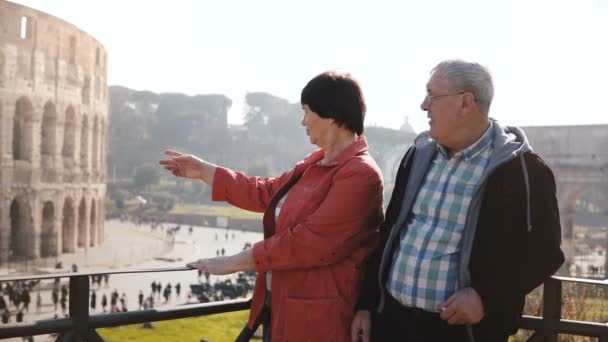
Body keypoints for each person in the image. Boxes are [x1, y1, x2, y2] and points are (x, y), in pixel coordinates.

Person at [160, 71, 384, 341]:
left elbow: (311, 242)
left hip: (321, 317)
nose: (303, 121)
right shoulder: (314, 163)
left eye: (307, 111)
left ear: (332, 114)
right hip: (285, 307)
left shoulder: (360, 174)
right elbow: (267, 192)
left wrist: (236, 262)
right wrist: (206, 172)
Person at [350, 60, 565, 342]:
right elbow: (390, 232)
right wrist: (367, 305)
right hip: (391, 322)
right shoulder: (417, 156)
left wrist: (485, 296)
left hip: (461, 333)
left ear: (465, 103)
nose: (423, 105)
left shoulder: (525, 171)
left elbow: (546, 253)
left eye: (432, 96)